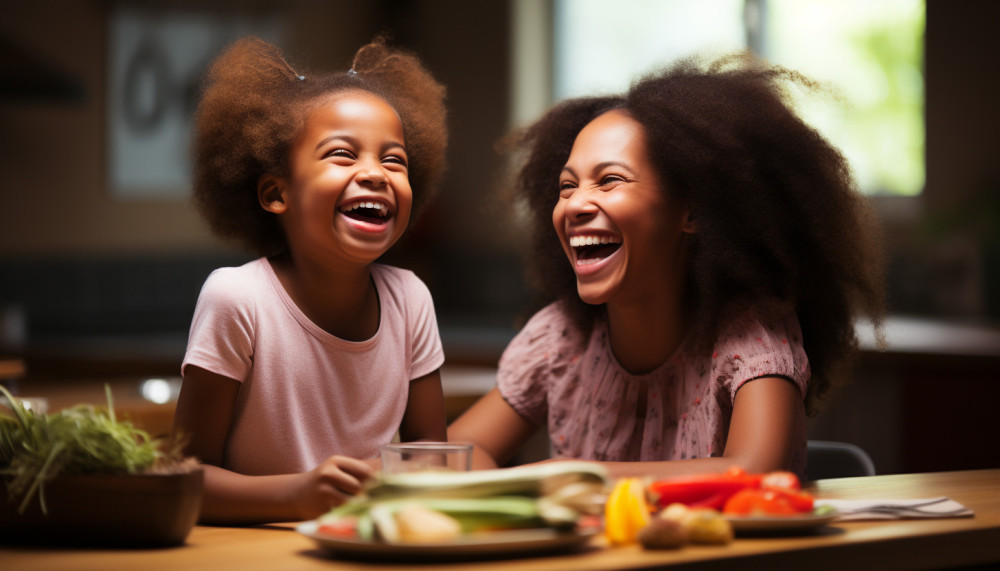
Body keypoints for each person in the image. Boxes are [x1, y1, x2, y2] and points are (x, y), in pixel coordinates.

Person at [449, 54, 885, 480]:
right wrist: (498, 497)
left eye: (610, 180)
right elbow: (459, 451)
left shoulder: (750, 336)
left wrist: (581, 477)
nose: (576, 203)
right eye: (567, 186)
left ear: (691, 212)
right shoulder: (560, 337)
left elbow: (755, 471)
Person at [173, 37, 449, 524]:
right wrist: (297, 495)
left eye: (394, 160)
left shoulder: (411, 299)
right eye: (342, 155)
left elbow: (432, 459)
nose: (376, 174)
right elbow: (185, 477)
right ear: (276, 193)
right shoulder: (237, 299)